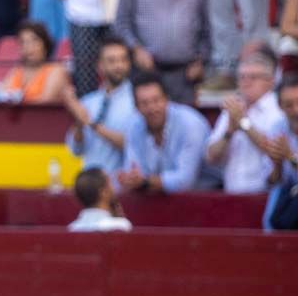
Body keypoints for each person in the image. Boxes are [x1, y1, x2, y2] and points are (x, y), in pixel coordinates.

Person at [114, 0, 209, 105]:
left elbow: (206, 29)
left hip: (184, 74)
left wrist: (200, 60)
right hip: (147, 72)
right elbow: (121, 23)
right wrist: (136, 49)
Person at [204, 47, 286, 192]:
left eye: (253, 77)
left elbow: (276, 151)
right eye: (242, 77)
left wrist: (243, 123)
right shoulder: (233, 109)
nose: (246, 82)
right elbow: (211, 157)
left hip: (265, 194)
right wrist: (228, 132)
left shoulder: (279, 110)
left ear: (271, 81)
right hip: (231, 194)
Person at [118, 71, 214, 193]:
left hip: (210, 195)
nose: (152, 108)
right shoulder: (133, 126)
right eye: (144, 103)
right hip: (161, 197)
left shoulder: (190, 124)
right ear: (136, 107)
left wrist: (145, 181)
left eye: (156, 100)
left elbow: (185, 181)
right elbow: (133, 169)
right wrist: (130, 179)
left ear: (166, 99)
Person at [63, 36, 138, 176]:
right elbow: (76, 150)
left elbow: (133, 145)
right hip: (90, 185)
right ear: (100, 66)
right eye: (112, 61)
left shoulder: (137, 100)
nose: (119, 66)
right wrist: (79, 123)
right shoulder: (89, 101)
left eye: (123, 60)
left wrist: (91, 123)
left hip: (122, 186)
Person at [0, 20, 68, 103]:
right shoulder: (16, 72)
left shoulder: (56, 70)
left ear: (45, 45)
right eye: (23, 42)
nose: (28, 47)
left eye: (34, 41)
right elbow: (1, 98)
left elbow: (46, 101)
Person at [263, 76, 298, 228]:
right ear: (280, 106)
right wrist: (277, 164)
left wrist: (290, 156)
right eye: (289, 105)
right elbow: (271, 181)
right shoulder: (277, 128)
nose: (296, 110)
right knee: (276, 194)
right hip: (288, 195)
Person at [68, 166, 134, 231]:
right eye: (110, 183)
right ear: (103, 192)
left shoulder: (72, 228)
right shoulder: (121, 226)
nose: (114, 188)